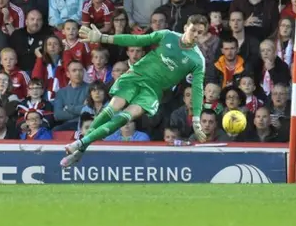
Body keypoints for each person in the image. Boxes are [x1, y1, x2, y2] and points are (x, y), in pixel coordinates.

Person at [60, 14, 209, 167]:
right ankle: (81, 146)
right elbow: (137, 40)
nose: (196, 35)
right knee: (112, 108)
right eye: (194, 30)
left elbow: (197, 89)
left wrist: (196, 119)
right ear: (186, 27)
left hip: (152, 91)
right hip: (136, 76)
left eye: (200, 32)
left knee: (124, 118)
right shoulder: (167, 36)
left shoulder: (197, 60)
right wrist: (103, 37)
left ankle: (81, 145)